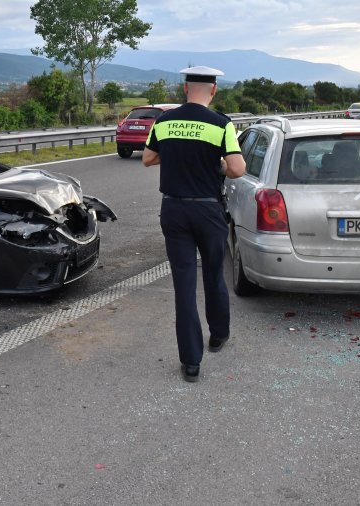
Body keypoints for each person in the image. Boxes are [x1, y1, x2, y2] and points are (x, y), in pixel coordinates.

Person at [142, 65, 247, 383]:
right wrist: (216, 166)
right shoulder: (221, 124)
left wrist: (173, 156)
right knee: (214, 274)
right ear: (213, 91)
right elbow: (237, 169)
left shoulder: (164, 121)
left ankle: (190, 362)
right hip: (207, 210)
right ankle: (218, 335)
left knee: (183, 286)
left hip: (173, 210)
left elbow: (148, 159)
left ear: (185, 89)